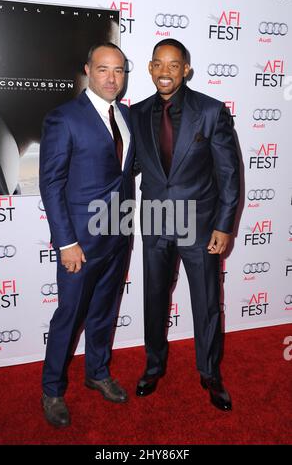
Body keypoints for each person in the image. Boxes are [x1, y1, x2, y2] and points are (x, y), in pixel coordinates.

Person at [131, 39, 240, 411]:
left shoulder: (210, 111)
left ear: (186, 70)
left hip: (200, 225)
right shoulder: (137, 113)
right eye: (159, 64)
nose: (165, 72)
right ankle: (153, 365)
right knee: (154, 299)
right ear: (149, 68)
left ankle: (210, 373)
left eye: (174, 65)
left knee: (207, 301)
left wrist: (224, 226)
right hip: (156, 223)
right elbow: (127, 167)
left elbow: (228, 171)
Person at [39, 42, 134, 427]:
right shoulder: (64, 118)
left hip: (119, 233)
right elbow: (51, 183)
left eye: (119, 71)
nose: (112, 78)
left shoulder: (126, 116)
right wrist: (66, 242)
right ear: (87, 70)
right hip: (80, 240)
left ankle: (97, 371)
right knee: (69, 315)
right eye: (103, 70)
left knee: (104, 311)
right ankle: (52, 390)